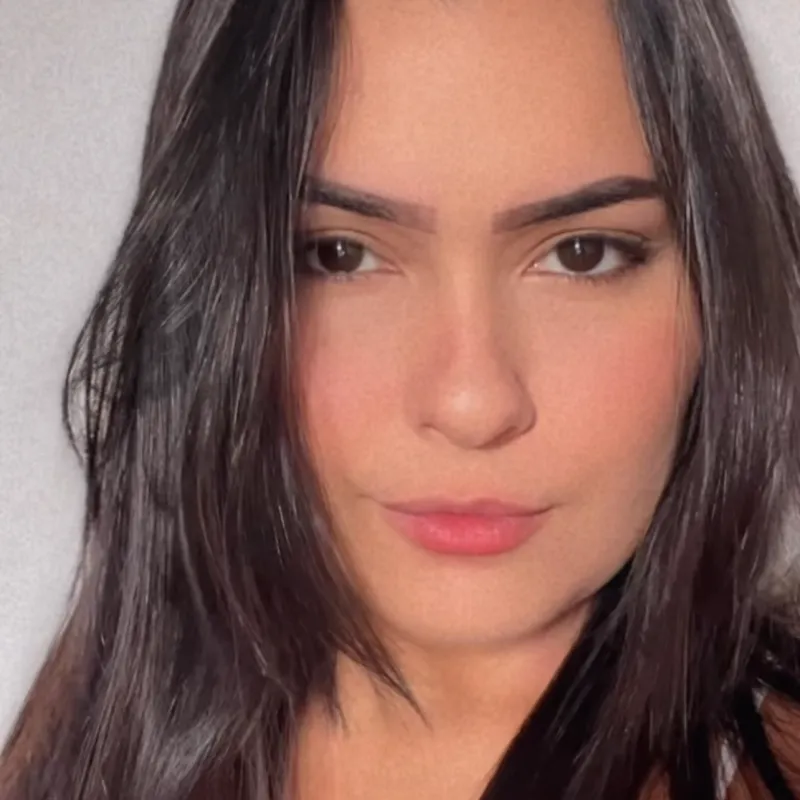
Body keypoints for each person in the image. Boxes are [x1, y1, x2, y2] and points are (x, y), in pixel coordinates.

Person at [4, 0, 800, 797]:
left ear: (720, 287)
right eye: (340, 255)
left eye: (582, 255)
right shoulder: (93, 733)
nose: (471, 403)